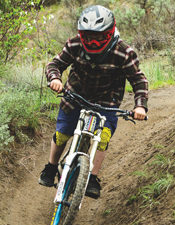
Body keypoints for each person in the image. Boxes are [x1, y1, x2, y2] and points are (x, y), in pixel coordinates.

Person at [38, 5, 148, 199]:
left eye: (98, 37)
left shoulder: (124, 52)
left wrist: (140, 106)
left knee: (103, 137)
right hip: (75, 96)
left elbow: (138, 80)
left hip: (107, 101)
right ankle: (51, 166)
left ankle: (92, 178)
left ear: (110, 32)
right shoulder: (74, 45)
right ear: (81, 34)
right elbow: (54, 64)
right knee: (63, 133)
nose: (93, 41)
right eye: (87, 36)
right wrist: (54, 78)